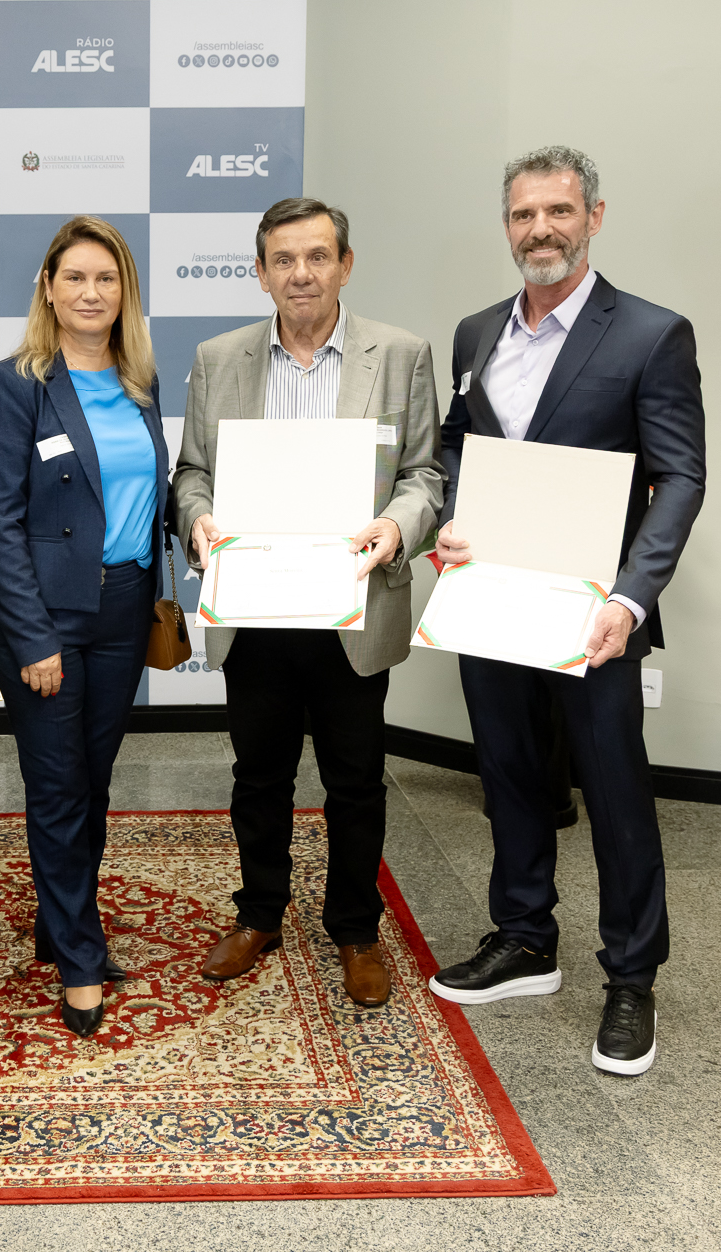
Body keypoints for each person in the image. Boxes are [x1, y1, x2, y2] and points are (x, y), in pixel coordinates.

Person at [426, 146, 705, 1078]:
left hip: (595, 614)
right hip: (492, 598)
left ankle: (631, 976)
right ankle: (524, 936)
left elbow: (681, 477)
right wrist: (453, 517)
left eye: (558, 211)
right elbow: (459, 445)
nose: (540, 229)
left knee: (614, 790)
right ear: (506, 225)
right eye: (523, 214)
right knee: (508, 771)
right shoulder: (476, 332)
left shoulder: (652, 334)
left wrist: (631, 596)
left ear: (593, 217)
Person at [172, 198, 444, 1008]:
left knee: (355, 780)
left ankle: (355, 928)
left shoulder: (401, 354)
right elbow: (192, 473)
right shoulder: (218, 358)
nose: (301, 273)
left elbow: (424, 474)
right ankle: (259, 913)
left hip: (351, 608)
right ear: (260, 273)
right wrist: (198, 519)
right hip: (255, 610)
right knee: (258, 775)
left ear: (345, 265)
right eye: (283, 260)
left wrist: (398, 528)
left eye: (318, 256)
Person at [0, 217, 171, 1039]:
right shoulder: (15, 383)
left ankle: (61, 920)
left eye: (107, 278)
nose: (92, 293)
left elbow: (145, 497)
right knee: (57, 788)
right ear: (49, 290)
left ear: (125, 292)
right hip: (46, 616)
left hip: (124, 609)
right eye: (75, 277)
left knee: (93, 781)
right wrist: (33, 637)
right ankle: (80, 958)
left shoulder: (140, 382)